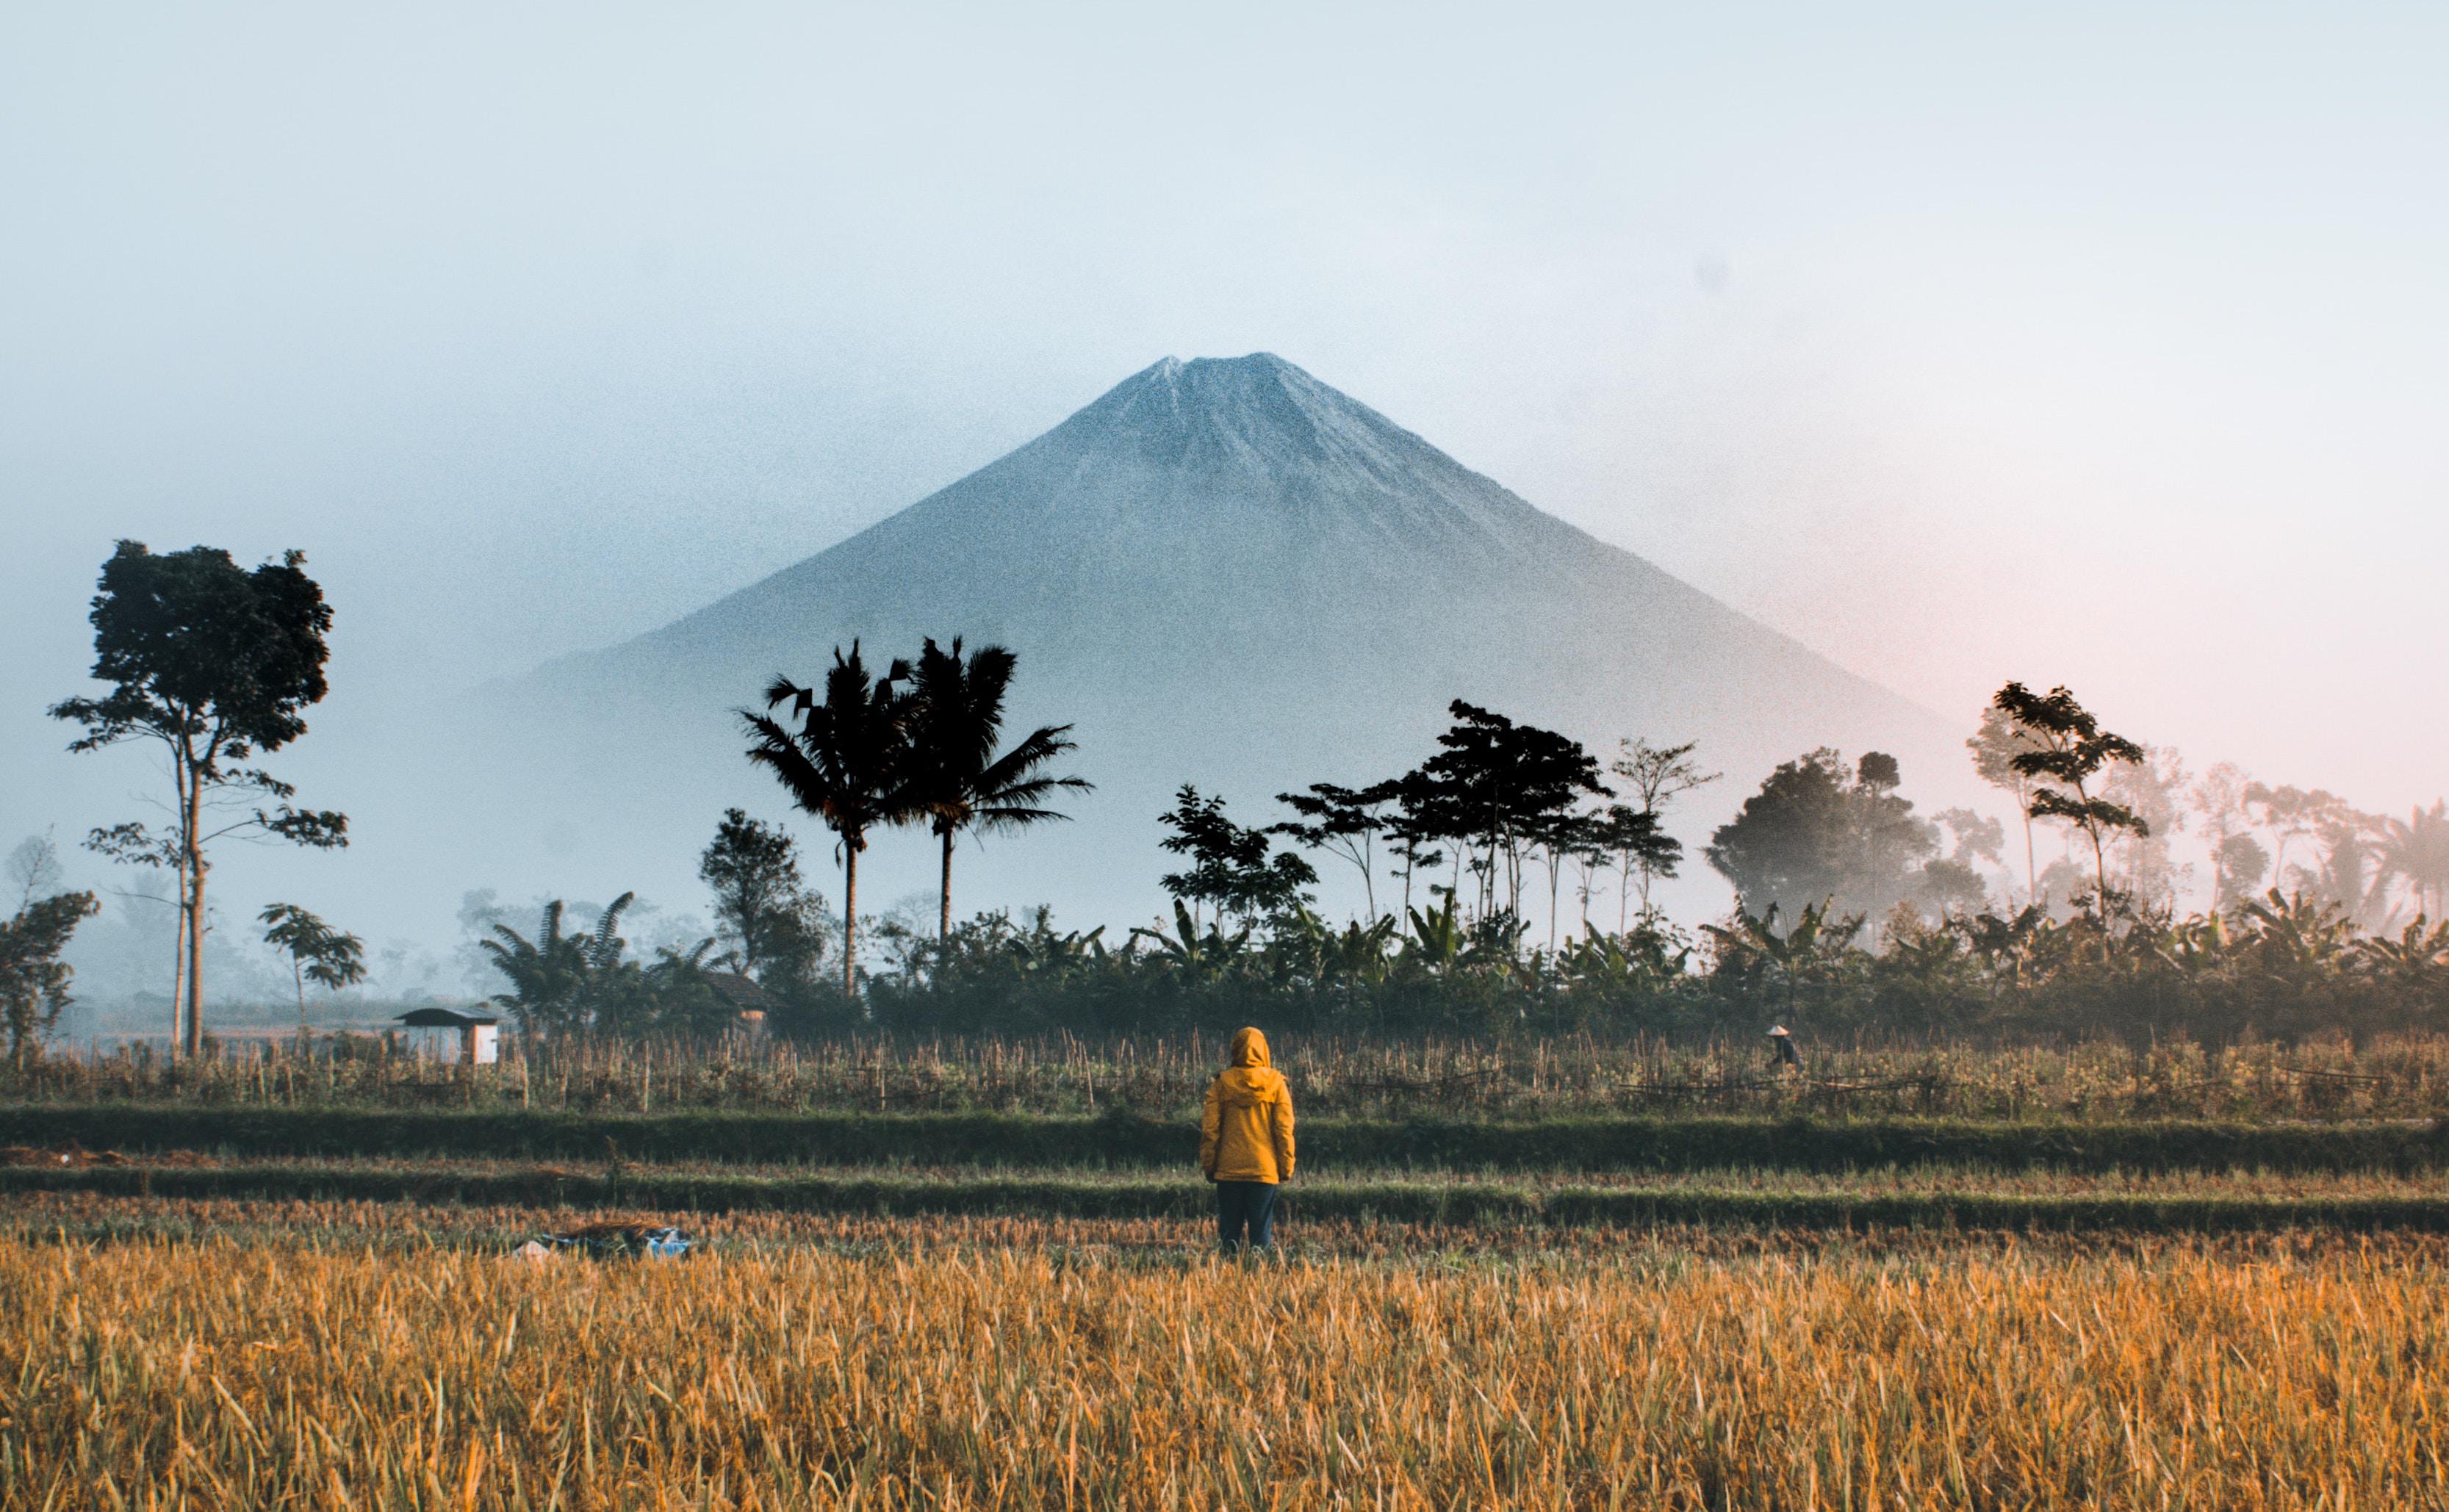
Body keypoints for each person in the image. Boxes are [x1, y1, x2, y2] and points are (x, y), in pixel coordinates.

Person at [1200, 1026, 1296, 1255]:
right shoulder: (1276, 1084)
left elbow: (1210, 1130)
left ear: (1235, 1049)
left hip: (1228, 1169)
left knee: (1229, 1234)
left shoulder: (1222, 1083)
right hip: (1264, 1169)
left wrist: (1209, 1166)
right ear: (1263, 1050)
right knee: (1261, 1232)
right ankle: (1259, 1277)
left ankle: (1226, 1277)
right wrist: (1286, 1167)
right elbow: (1284, 1130)